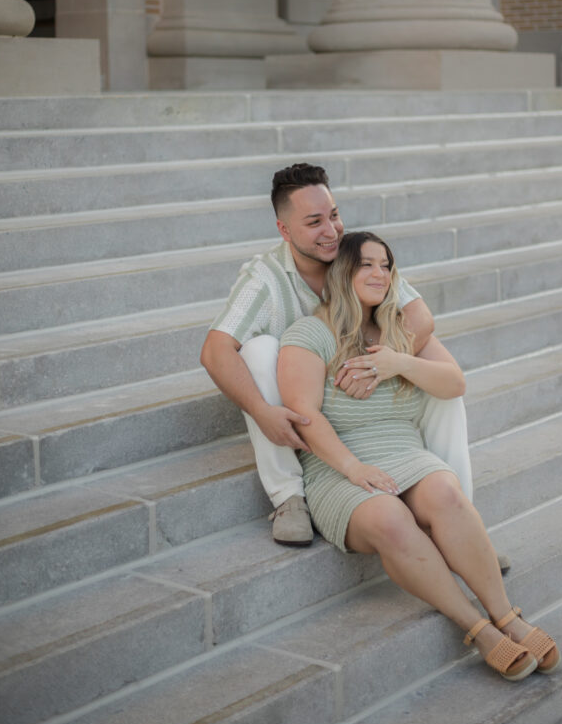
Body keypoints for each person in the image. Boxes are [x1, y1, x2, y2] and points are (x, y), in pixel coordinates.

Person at [277, 231, 559, 681]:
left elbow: (454, 383)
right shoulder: (309, 334)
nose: (379, 273)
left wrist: (399, 361)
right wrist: (354, 468)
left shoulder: (398, 332)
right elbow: (304, 416)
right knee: (390, 520)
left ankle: (508, 616)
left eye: (386, 265)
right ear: (342, 271)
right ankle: (479, 630)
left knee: (445, 493)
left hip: (403, 450)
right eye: (366, 264)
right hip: (339, 465)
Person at [200, 163, 494, 558]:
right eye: (314, 222)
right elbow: (215, 350)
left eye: (334, 215)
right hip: (302, 397)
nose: (331, 230)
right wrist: (262, 411)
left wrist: (380, 364)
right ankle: (289, 496)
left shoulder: (356, 254)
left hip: (362, 396)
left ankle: (460, 520)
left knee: (442, 387)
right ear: (285, 231)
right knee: (258, 350)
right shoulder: (265, 278)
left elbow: (420, 317)